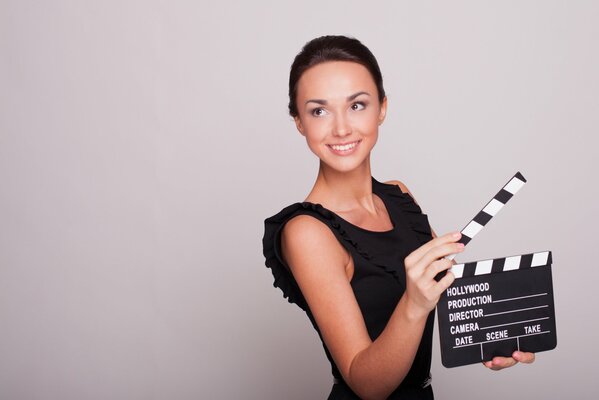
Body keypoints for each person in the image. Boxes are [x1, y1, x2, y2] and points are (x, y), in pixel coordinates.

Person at [262, 35, 535, 400]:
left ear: (382, 109)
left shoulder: (398, 196)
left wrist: (495, 335)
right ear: (298, 121)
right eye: (319, 111)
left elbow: (448, 298)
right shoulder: (306, 232)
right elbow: (367, 384)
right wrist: (414, 303)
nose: (341, 128)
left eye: (357, 105)